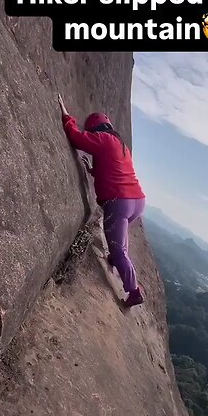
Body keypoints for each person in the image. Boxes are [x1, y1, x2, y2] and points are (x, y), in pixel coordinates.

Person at [58, 93, 147, 308]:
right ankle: (116, 260)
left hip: (119, 202)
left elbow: (77, 138)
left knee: (118, 249)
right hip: (137, 200)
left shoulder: (103, 139)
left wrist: (67, 118)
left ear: (95, 129)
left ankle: (134, 291)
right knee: (119, 241)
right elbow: (114, 169)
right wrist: (93, 169)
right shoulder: (121, 145)